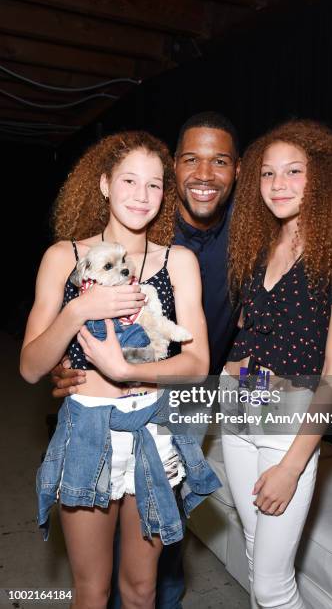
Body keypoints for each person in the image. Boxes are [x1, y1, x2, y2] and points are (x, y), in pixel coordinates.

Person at [20, 130, 222, 609]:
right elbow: (31, 367)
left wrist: (124, 369)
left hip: (153, 432)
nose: (141, 195)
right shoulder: (64, 257)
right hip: (87, 433)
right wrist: (77, 310)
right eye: (129, 180)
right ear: (106, 184)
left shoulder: (179, 262)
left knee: (142, 590)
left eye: (154, 185)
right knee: (91, 592)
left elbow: (197, 364)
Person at [222, 119, 332, 608]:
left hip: (290, 427)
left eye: (293, 171)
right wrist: (238, 374)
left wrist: (294, 465)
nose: (278, 185)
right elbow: (256, 340)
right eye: (268, 174)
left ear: (322, 179)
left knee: (273, 586)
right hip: (241, 413)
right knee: (256, 560)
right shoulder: (258, 249)